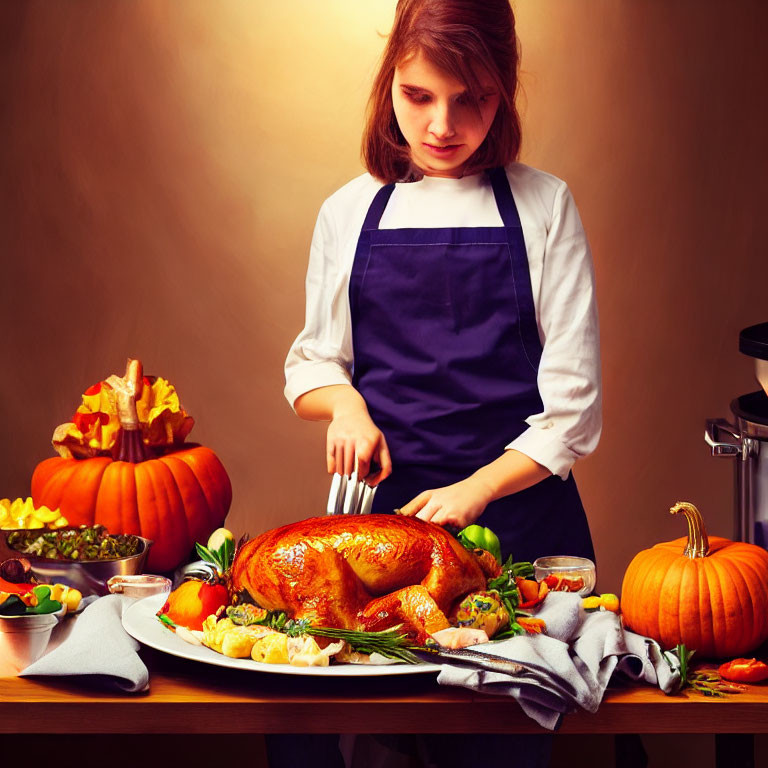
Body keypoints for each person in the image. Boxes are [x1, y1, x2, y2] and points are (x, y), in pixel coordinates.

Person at [279, 0, 600, 765]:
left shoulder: (543, 205)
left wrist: (478, 490)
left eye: (472, 99)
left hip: (522, 535)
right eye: (418, 95)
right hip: (386, 540)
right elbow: (311, 362)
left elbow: (574, 412)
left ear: (504, 90)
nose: (442, 126)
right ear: (389, 80)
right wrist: (346, 405)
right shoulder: (348, 210)